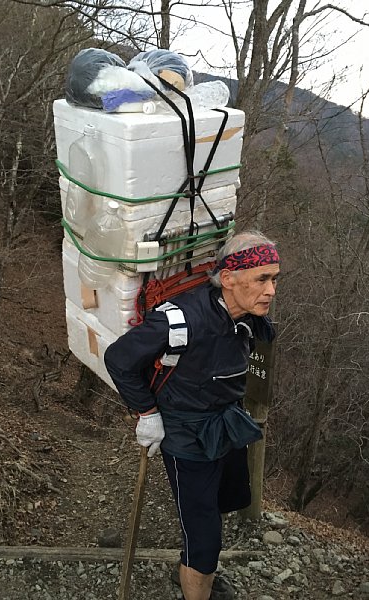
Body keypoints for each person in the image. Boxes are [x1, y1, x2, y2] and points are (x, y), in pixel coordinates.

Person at [104, 230, 280, 600]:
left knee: (222, 504)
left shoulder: (244, 313)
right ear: (228, 279)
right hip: (187, 435)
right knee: (204, 533)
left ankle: (193, 570)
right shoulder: (178, 320)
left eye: (273, 279)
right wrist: (147, 413)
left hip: (226, 423)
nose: (271, 291)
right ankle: (197, 578)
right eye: (262, 279)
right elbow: (118, 360)